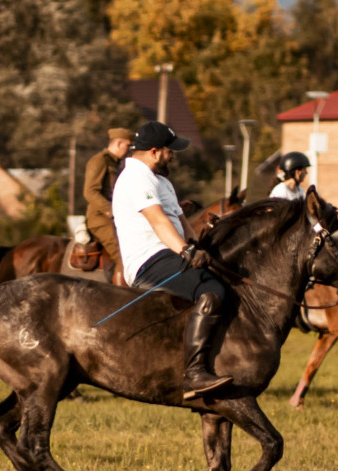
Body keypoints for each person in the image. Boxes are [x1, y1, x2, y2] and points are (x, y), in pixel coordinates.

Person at [112, 121, 232, 400]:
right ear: (154, 152)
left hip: (171, 252)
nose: (174, 156)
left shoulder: (160, 180)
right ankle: (194, 375)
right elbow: (157, 220)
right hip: (149, 260)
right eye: (170, 151)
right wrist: (186, 252)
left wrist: (197, 247)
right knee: (212, 292)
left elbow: (181, 223)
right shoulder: (135, 178)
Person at [84, 127, 134, 283]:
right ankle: (122, 296)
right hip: (100, 219)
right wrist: (111, 211)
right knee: (124, 254)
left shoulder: (117, 163)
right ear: (118, 143)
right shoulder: (100, 160)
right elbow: (90, 192)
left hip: (115, 218)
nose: (128, 150)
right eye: (128, 145)